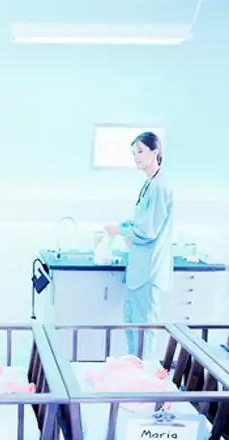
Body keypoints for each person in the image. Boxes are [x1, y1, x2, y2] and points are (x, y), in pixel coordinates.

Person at [104, 131, 174, 360]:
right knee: (132, 321)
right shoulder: (149, 184)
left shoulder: (159, 187)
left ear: (156, 152)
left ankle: (144, 377)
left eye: (141, 151)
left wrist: (121, 231)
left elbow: (148, 231)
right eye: (134, 152)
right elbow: (142, 221)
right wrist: (124, 225)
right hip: (139, 268)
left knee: (145, 326)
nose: (136, 156)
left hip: (148, 270)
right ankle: (133, 369)